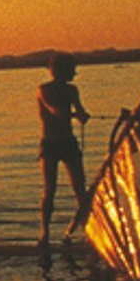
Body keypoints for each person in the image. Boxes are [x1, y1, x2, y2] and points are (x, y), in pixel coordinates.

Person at [37, 54, 91, 243]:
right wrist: (74, 114)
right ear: (60, 70)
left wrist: (82, 114)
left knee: (80, 189)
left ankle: (89, 232)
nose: (75, 74)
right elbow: (55, 111)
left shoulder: (72, 90)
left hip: (68, 143)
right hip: (50, 144)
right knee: (50, 189)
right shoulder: (44, 90)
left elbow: (79, 108)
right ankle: (44, 233)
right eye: (72, 70)